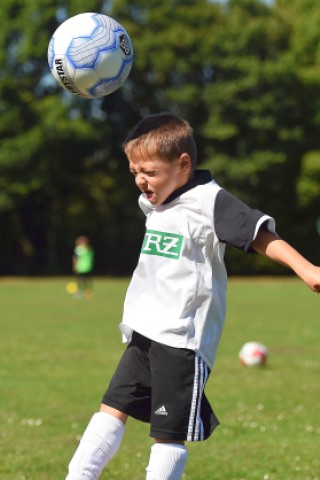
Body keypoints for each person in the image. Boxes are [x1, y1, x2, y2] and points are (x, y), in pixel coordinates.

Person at [65, 113, 320, 480]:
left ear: (183, 164)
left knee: (167, 436)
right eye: (134, 171)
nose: (140, 180)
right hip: (143, 333)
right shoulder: (157, 201)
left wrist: (308, 270)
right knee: (112, 408)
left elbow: (257, 234)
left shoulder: (209, 200)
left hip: (182, 340)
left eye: (149, 171)